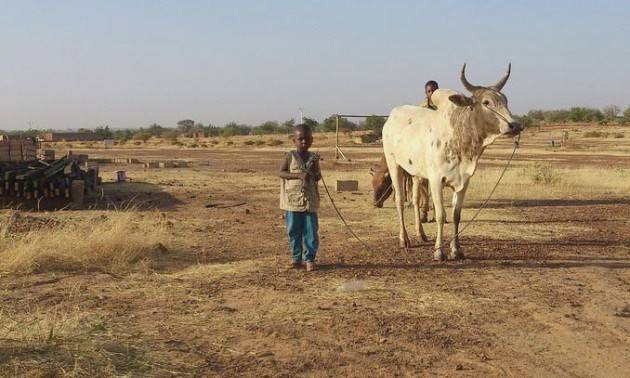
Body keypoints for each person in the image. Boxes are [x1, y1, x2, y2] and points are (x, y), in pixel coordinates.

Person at [278, 124, 321, 272]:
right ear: (293, 140)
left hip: (310, 201)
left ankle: (309, 259)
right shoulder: (290, 156)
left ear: (312, 140)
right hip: (293, 201)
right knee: (293, 230)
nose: (304, 142)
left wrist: (314, 172)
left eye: (307, 139)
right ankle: (296, 259)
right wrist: (298, 175)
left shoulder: (313, 157)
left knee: (311, 231)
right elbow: (281, 173)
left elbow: (317, 178)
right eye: (300, 139)